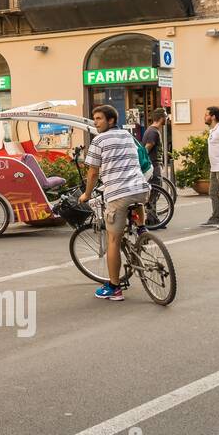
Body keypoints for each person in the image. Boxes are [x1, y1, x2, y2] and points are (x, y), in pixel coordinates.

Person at [80, 104, 152, 302]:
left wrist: (86, 194)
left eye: (99, 118)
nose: (96, 122)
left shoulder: (99, 140)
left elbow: (93, 172)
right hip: (142, 188)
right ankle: (142, 229)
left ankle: (114, 287)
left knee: (113, 240)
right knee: (136, 200)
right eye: (94, 119)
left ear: (111, 120)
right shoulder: (128, 136)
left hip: (118, 194)